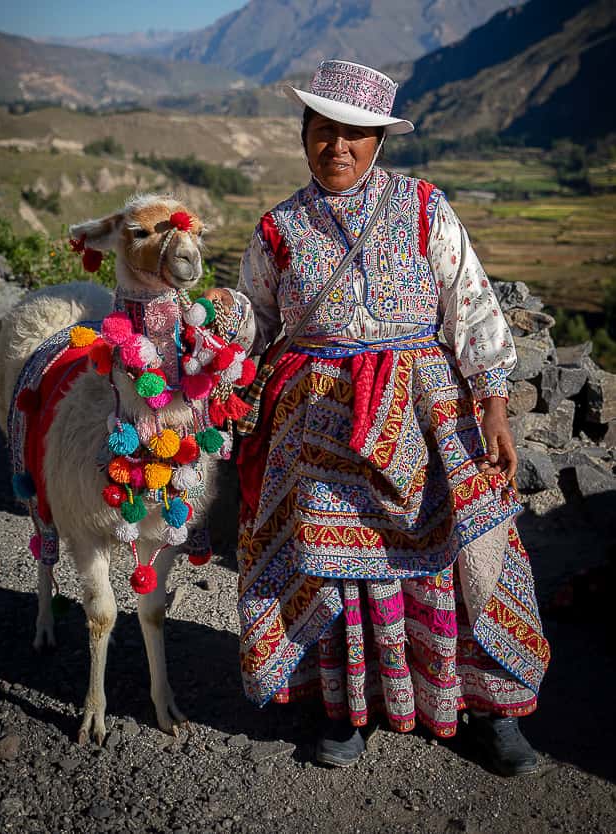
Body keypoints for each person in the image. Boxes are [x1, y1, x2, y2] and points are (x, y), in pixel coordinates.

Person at [207, 60, 550, 774]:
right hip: (317, 418)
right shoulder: (279, 228)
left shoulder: (425, 207)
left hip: (428, 410)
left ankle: (490, 708)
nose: (337, 147)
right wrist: (202, 327)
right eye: (323, 131)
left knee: (468, 551)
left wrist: (492, 403)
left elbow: (470, 301)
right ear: (303, 137)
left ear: (378, 143)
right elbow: (253, 318)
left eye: (354, 135)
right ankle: (346, 707)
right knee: (334, 567)